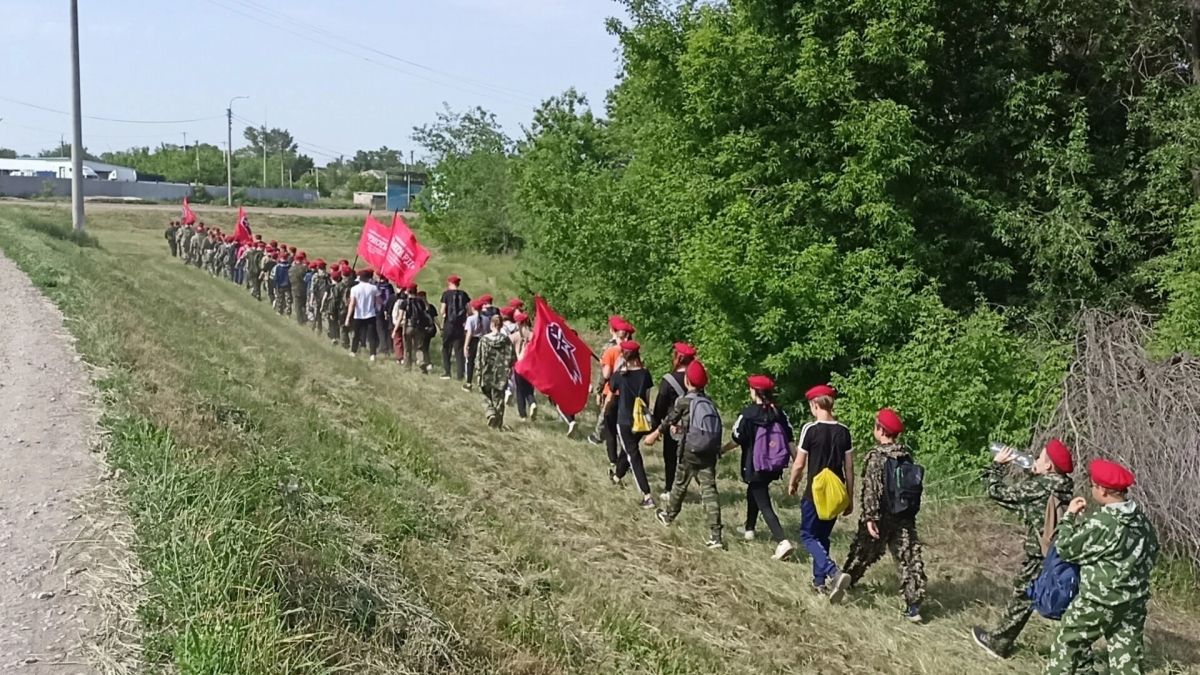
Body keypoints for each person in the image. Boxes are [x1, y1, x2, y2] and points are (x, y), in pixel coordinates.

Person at [1044, 459, 1159, 675]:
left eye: (1093, 486)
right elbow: (1153, 552)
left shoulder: (1104, 522)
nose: (1091, 489)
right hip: (1133, 602)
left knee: (1066, 644)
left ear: (1103, 491)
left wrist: (1069, 516)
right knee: (1127, 659)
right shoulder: (1141, 520)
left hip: (1098, 601)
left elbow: (1066, 548)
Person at [971, 439, 1075, 658]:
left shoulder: (1040, 486)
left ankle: (998, 642)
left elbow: (997, 492)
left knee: (1024, 594)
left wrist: (997, 466)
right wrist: (1033, 471)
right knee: (1040, 595)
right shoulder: (1062, 485)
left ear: (1048, 466)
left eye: (1040, 457)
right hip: (1057, 552)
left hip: (1040, 554)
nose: (1034, 459)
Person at [841, 408, 927, 622]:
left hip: (881, 517)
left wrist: (870, 517)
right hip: (904, 515)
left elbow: (871, 489)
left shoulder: (876, 456)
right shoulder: (906, 454)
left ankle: (845, 581)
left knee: (862, 551)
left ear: (880, 430)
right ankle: (914, 605)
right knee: (909, 558)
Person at [787, 384, 854, 600]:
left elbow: (799, 463)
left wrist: (792, 482)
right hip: (836, 494)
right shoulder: (844, 431)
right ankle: (819, 583)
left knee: (807, 535)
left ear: (815, 404)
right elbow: (849, 468)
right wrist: (850, 497)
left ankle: (833, 572)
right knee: (823, 537)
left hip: (814, 493)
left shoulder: (810, 429)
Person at [646, 360, 723, 549]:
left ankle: (668, 516)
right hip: (709, 451)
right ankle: (716, 535)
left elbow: (670, 419)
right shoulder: (709, 402)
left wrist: (655, 433)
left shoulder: (684, 401)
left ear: (687, 381)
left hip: (691, 450)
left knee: (680, 484)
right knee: (709, 491)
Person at [724, 374, 796, 561]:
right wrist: (799, 463)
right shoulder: (779, 413)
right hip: (773, 465)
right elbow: (789, 439)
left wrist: (721, 451)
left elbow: (736, 439)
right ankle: (749, 528)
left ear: (755, 392)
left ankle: (782, 541)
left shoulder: (748, 414)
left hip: (754, 465)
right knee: (754, 492)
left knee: (764, 503)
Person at [606, 340, 657, 509]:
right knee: (628, 450)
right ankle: (617, 477)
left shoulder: (620, 376)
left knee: (632, 455)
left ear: (623, 356)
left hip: (625, 421)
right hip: (642, 421)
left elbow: (611, 388)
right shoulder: (645, 374)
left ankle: (646, 494)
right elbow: (647, 398)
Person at [651, 342, 696, 503]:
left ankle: (670, 488)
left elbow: (660, 405)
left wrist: (657, 426)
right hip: (691, 425)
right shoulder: (695, 378)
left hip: (673, 425)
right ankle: (683, 488)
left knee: (670, 458)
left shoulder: (669, 380)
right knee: (686, 459)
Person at [588, 317, 634, 456]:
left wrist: (599, 389)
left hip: (612, 390)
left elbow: (605, 374)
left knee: (607, 417)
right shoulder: (633, 350)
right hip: (627, 391)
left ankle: (599, 438)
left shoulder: (611, 349)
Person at [476, 314, 516, 428]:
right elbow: (512, 358)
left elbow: (479, 358)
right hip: (501, 375)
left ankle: (490, 412)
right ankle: (497, 426)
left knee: (484, 395)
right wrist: (509, 368)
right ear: (501, 325)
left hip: (486, 373)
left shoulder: (484, 340)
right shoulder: (506, 341)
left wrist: (478, 372)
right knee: (499, 401)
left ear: (492, 324)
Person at [440, 275, 471, 381]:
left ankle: (447, 372)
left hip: (449, 324)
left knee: (446, 348)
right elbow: (469, 311)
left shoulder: (446, 294)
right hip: (460, 326)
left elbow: (442, 311)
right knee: (458, 350)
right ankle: (460, 374)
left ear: (450, 283)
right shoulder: (464, 294)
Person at [345, 268, 381, 360]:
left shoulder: (354, 289)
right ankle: (373, 354)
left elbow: (352, 304)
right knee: (371, 335)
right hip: (370, 314)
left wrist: (348, 317)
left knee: (356, 334)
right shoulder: (373, 288)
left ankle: (353, 351)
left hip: (359, 315)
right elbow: (379, 301)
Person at [396, 285, 432, 372]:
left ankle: (407, 367)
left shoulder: (404, 302)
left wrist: (395, 329)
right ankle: (421, 361)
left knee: (407, 348)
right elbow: (427, 310)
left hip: (408, 326)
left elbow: (400, 317)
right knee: (419, 347)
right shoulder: (421, 301)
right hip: (419, 327)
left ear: (408, 291)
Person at [509, 310, 538, 421]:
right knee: (529, 388)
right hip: (531, 366)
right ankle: (532, 402)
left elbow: (508, 347)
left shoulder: (515, 336)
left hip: (519, 365)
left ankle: (523, 415)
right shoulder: (534, 336)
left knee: (520, 390)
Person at [462, 299, 487, 391]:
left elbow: (469, 333)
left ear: (473, 308)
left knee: (470, 362)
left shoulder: (470, 319)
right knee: (482, 362)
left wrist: (465, 346)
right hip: (483, 340)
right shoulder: (486, 319)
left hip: (473, 341)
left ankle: (469, 383)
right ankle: (482, 383)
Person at [289, 251, 309, 323]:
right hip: (304, 288)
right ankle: (305, 317)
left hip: (294, 288)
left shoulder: (291, 269)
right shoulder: (305, 269)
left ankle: (300, 320)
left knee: (297, 306)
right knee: (303, 304)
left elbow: (290, 279)